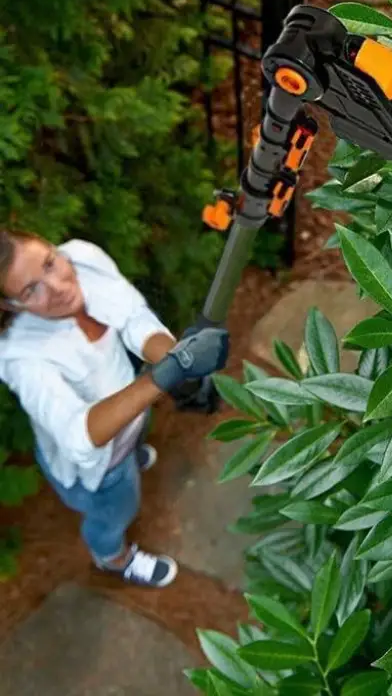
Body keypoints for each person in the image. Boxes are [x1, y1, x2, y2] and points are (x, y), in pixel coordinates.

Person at [0, 230, 229, 588]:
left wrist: (178, 361)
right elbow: (77, 437)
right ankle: (113, 557)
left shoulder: (82, 257)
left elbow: (133, 317)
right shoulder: (19, 357)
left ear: (52, 247)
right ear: (12, 306)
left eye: (49, 263)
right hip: (99, 470)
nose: (57, 286)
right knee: (116, 511)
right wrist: (167, 373)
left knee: (135, 438)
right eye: (31, 290)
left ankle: (133, 453)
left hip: (133, 412)